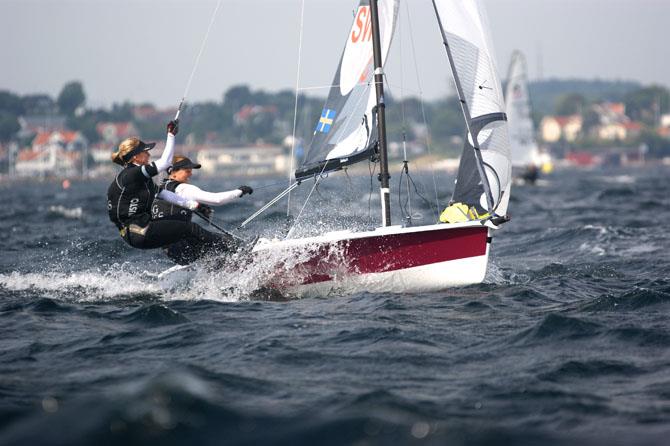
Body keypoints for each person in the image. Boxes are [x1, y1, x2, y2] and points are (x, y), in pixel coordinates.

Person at [106, 120, 227, 257]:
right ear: (136, 157)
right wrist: (171, 135)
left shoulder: (139, 180)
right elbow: (165, 163)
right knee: (191, 228)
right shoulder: (132, 174)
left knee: (184, 234)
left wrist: (195, 205)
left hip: (135, 233)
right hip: (140, 231)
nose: (149, 155)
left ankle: (211, 261)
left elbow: (164, 194)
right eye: (146, 153)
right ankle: (232, 248)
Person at [152, 155, 254, 264]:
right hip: (185, 244)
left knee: (214, 255)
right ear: (173, 172)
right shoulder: (183, 188)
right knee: (232, 244)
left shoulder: (158, 190)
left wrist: (198, 207)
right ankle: (249, 257)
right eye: (187, 171)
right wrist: (240, 191)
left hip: (171, 251)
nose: (190, 174)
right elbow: (217, 200)